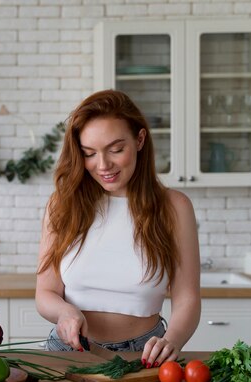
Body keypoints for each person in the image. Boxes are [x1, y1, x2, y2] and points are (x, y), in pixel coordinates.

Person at [35, 90, 201, 367]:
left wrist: (172, 340)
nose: (103, 165)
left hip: (145, 353)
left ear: (139, 140)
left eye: (115, 150)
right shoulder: (62, 205)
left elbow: (187, 298)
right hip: (69, 351)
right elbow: (45, 293)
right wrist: (65, 313)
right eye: (89, 153)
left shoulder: (174, 207)